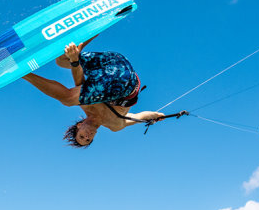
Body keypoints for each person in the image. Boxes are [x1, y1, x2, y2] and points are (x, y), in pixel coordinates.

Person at [22, 37, 168, 147]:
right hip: (126, 83)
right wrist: (156, 115)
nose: (87, 136)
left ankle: (96, 24)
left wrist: (74, 60)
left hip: (113, 62)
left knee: (61, 60)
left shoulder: (87, 106)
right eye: (89, 140)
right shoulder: (115, 125)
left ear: (79, 126)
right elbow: (138, 116)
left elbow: (79, 79)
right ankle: (23, 73)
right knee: (69, 99)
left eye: (82, 137)